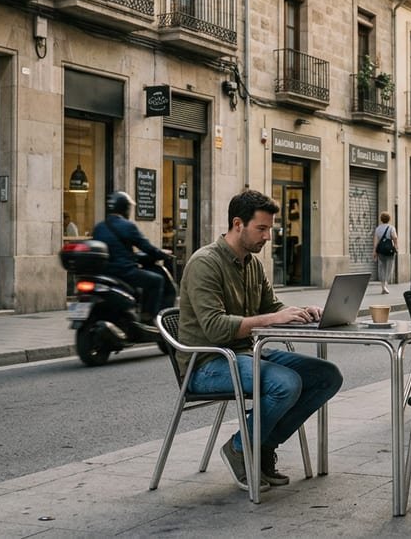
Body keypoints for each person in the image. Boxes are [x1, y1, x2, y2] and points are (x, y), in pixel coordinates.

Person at [177, 190, 342, 492]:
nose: (269, 237)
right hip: (207, 364)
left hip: (246, 354)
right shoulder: (205, 263)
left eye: (271, 229)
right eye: (262, 229)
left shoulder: (252, 264)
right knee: (285, 384)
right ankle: (241, 447)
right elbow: (215, 328)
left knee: (327, 376)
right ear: (238, 224)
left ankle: (262, 444)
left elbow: (271, 307)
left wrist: (303, 312)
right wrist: (272, 319)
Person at [92, 191, 172, 322]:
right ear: (125, 208)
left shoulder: (99, 227)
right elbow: (146, 247)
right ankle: (149, 317)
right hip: (124, 272)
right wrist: (162, 254)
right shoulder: (127, 226)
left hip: (104, 273)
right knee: (157, 280)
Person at [372, 212, 397, 295]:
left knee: (381, 268)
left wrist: (374, 251)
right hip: (389, 250)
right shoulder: (391, 228)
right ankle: (385, 285)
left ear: (381, 219)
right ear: (389, 219)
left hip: (381, 251)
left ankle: (383, 286)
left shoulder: (378, 228)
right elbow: (395, 237)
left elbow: (376, 241)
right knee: (389, 268)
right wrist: (396, 246)